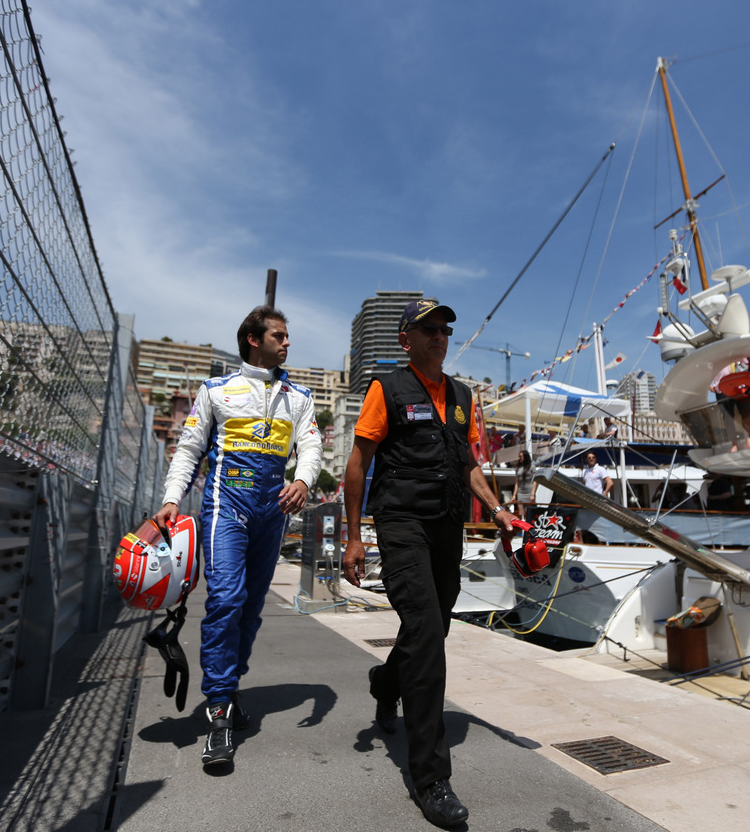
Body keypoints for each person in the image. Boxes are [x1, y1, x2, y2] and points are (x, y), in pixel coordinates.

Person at [341, 299, 514, 828]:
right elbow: (357, 465)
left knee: (430, 632)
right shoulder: (387, 389)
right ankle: (431, 777)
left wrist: (500, 508)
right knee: (424, 630)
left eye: (444, 329)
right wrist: (353, 539)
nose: (440, 336)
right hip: (400, 524)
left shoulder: (462, 396)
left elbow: (468, 465)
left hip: (446, 527)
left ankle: (387, 682)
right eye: (429, 329)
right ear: (406, 339)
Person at [154, 305, 321, 767]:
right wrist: (172, 498)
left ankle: (229, 686)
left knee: (249, 607)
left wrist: (304, 480)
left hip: (273, 512)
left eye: (287, 336)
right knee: (225, 598)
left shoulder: (300, 397)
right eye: (279, 336)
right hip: (226, 507)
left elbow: (311, 445)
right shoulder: (215, 390)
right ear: (253, 338)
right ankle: (221, 706)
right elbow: (188, 448)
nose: (287, 343)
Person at [514, 449, 535, 519]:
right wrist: (514, 495)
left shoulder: (531, 467)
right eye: (519, 456)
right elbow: (517, 482)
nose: (520, 458)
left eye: (521, 456)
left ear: (525, 457)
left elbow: (535, 481)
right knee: (520, 513)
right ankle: (522, 527)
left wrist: (533, 494)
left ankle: (528, 527)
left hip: (529, 491)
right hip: (520, 492)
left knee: (529, 513)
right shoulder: (518, 468)